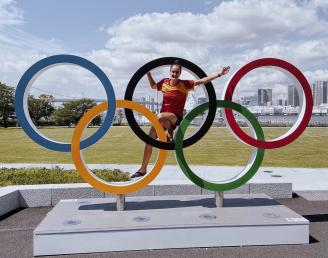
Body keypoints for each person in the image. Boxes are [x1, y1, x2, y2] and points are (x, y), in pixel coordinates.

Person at [130, 60, 230, 178]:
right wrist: (148, 74)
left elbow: (202, 80)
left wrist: (219, 74)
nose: (175, 74)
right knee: (149, 142)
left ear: (180, 73)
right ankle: (143, 169)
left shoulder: (185, 84)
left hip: (175, 118)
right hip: (162, 121)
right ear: (170, 72)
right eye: (173, 71)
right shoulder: (164, 82)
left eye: (177, 72)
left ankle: (170, 132)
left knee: (160, 116)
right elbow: (153, 85)